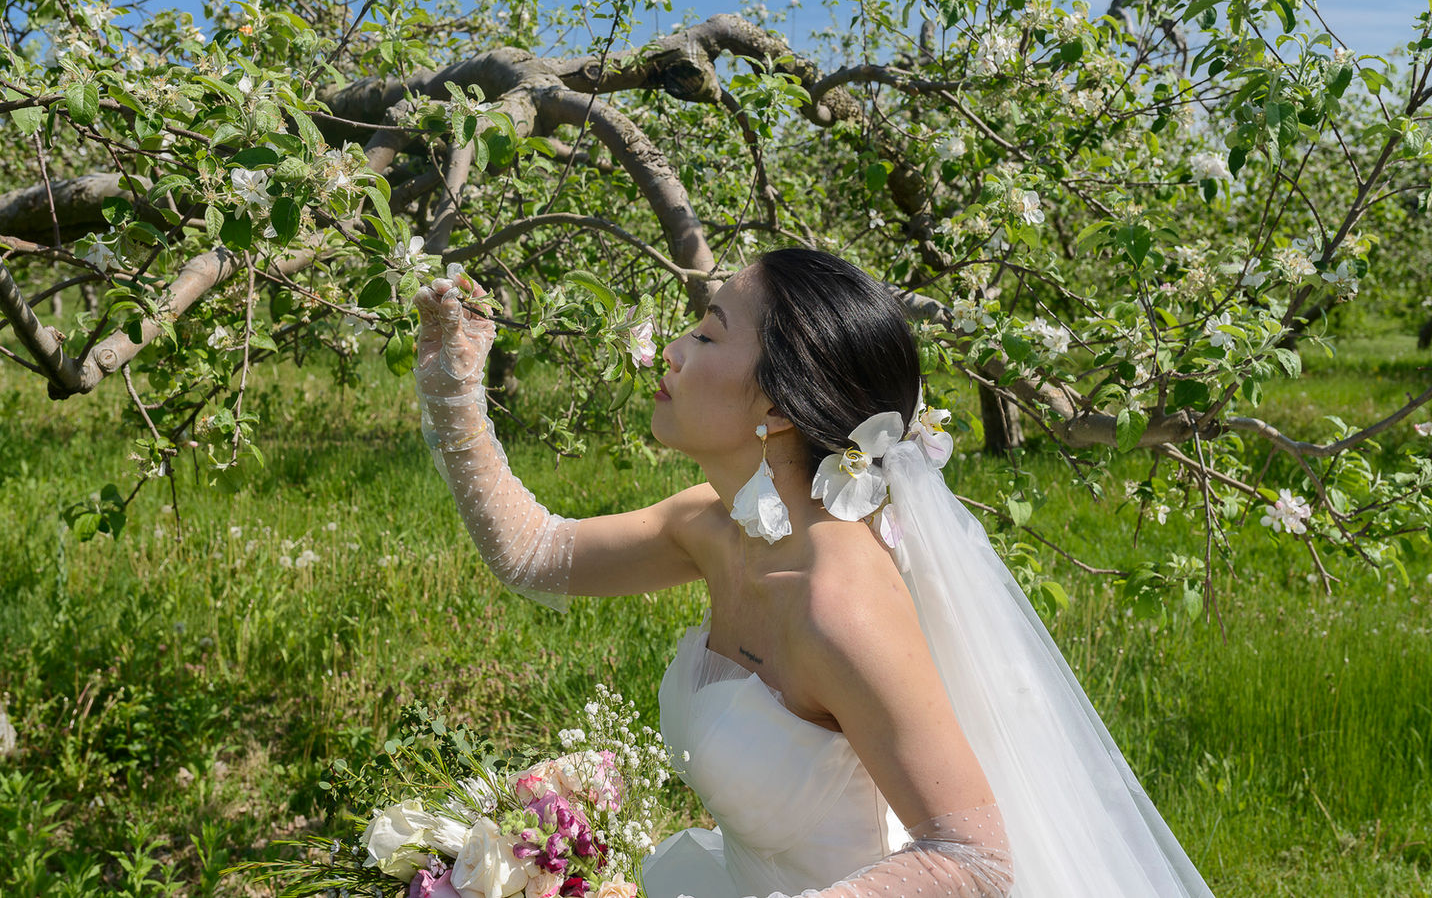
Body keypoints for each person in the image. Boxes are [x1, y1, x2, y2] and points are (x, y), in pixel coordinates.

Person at [412, 248, 1215, 898]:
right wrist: (454, 379)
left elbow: (975, 858)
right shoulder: (710, 523)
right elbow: (532, 553)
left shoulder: (840, 605)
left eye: (708, 333)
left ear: (779, 408)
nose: (674, 349)